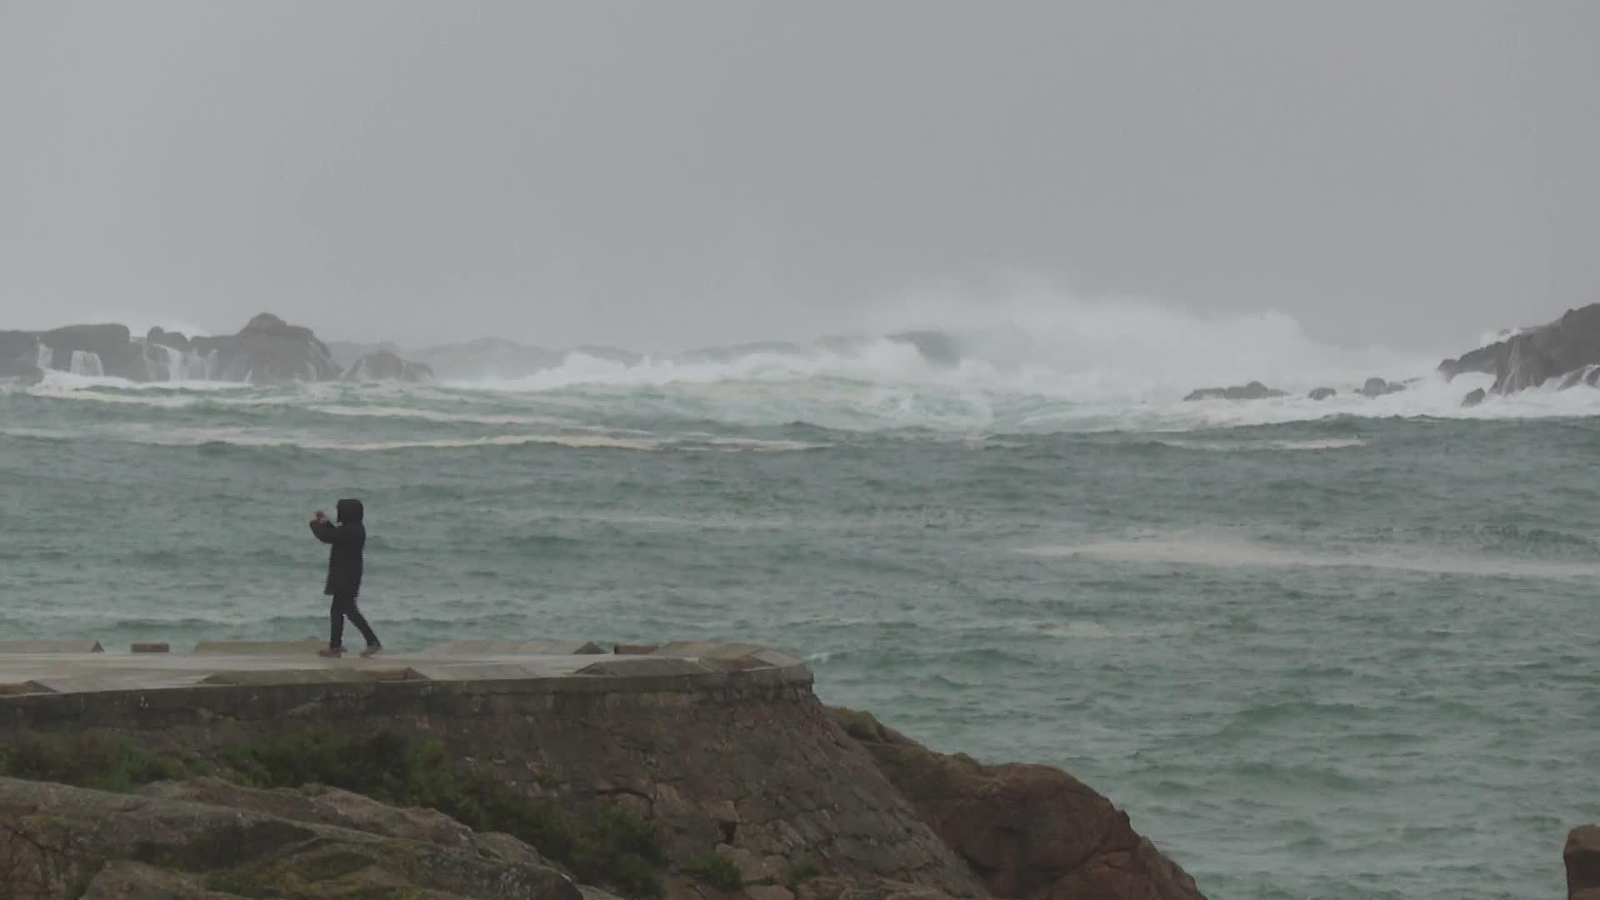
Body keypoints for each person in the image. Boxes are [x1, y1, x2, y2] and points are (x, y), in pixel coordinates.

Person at [309, 498, 382, 657]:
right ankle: (335, 646)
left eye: (339, 510)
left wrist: (314, 523)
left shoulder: (351, 530)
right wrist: (325, 522)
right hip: (346, 573)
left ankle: (372, 641)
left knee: (349, 609)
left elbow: (326, 537)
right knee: (337, 610)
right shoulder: (353, 528)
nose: (338, 513)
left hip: (346, 575)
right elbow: (335, 534)